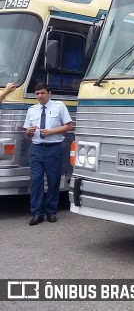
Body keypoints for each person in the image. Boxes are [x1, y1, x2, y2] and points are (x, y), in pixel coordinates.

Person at [23, 82, 72, 225]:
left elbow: (69, 126)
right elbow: (26, 131)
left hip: (53, 149)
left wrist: (51, 132)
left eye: (42, 93)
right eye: (37, 93)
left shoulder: (59, 106)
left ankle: (51, 212)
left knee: (53, 181)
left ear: (49, 93)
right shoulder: (32, 110)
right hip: (37, 149)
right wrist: (29, 131)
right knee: (36, 181)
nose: (40, 96)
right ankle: (37, 214)